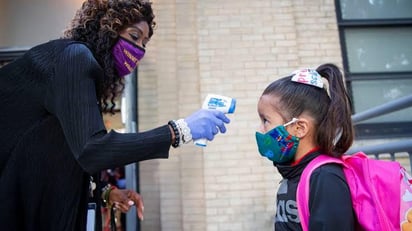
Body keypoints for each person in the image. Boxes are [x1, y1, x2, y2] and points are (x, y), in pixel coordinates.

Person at [0, 0, 231, 230]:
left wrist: (105, 192)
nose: (140, 49)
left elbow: (57, 155)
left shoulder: (74, 68)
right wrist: (179, 130)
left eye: (145, 42)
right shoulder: (73, 58)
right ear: (107, 26)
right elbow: (92, 149)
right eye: (134, 36)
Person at [255, 64, 356, 230]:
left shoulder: (326, 178)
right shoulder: (292, 173)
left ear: (299, 128)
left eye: (265, 120)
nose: (260, 130)